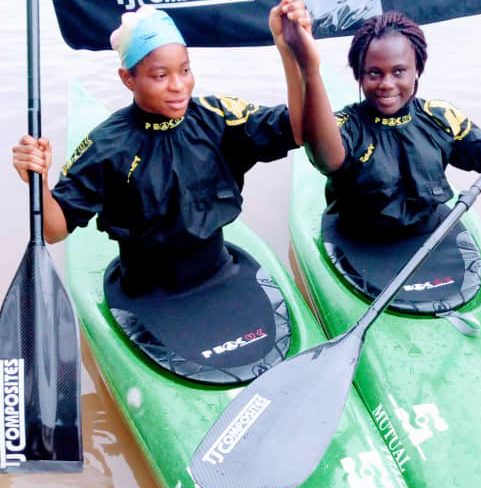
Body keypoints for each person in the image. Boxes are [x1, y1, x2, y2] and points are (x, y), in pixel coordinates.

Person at [12, 2, 311, 294]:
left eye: (185, 70)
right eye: (160, 76)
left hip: (220, 273)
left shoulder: (217, 118)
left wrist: (291, 54)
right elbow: (55, 230)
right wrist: (37, 179)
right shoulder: (108, 146)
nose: (178, 86)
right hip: (147, 292)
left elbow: (300, 131)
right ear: (128, 79)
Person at [280, 8, 481, 237]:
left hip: (427, 235)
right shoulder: (347, 125)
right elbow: (327, 159)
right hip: (359, 242)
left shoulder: (440, 117)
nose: (386, 84)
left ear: (416, 69)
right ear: (359, 77)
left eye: (399, 71)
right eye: (374, 73)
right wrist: (309, 69)